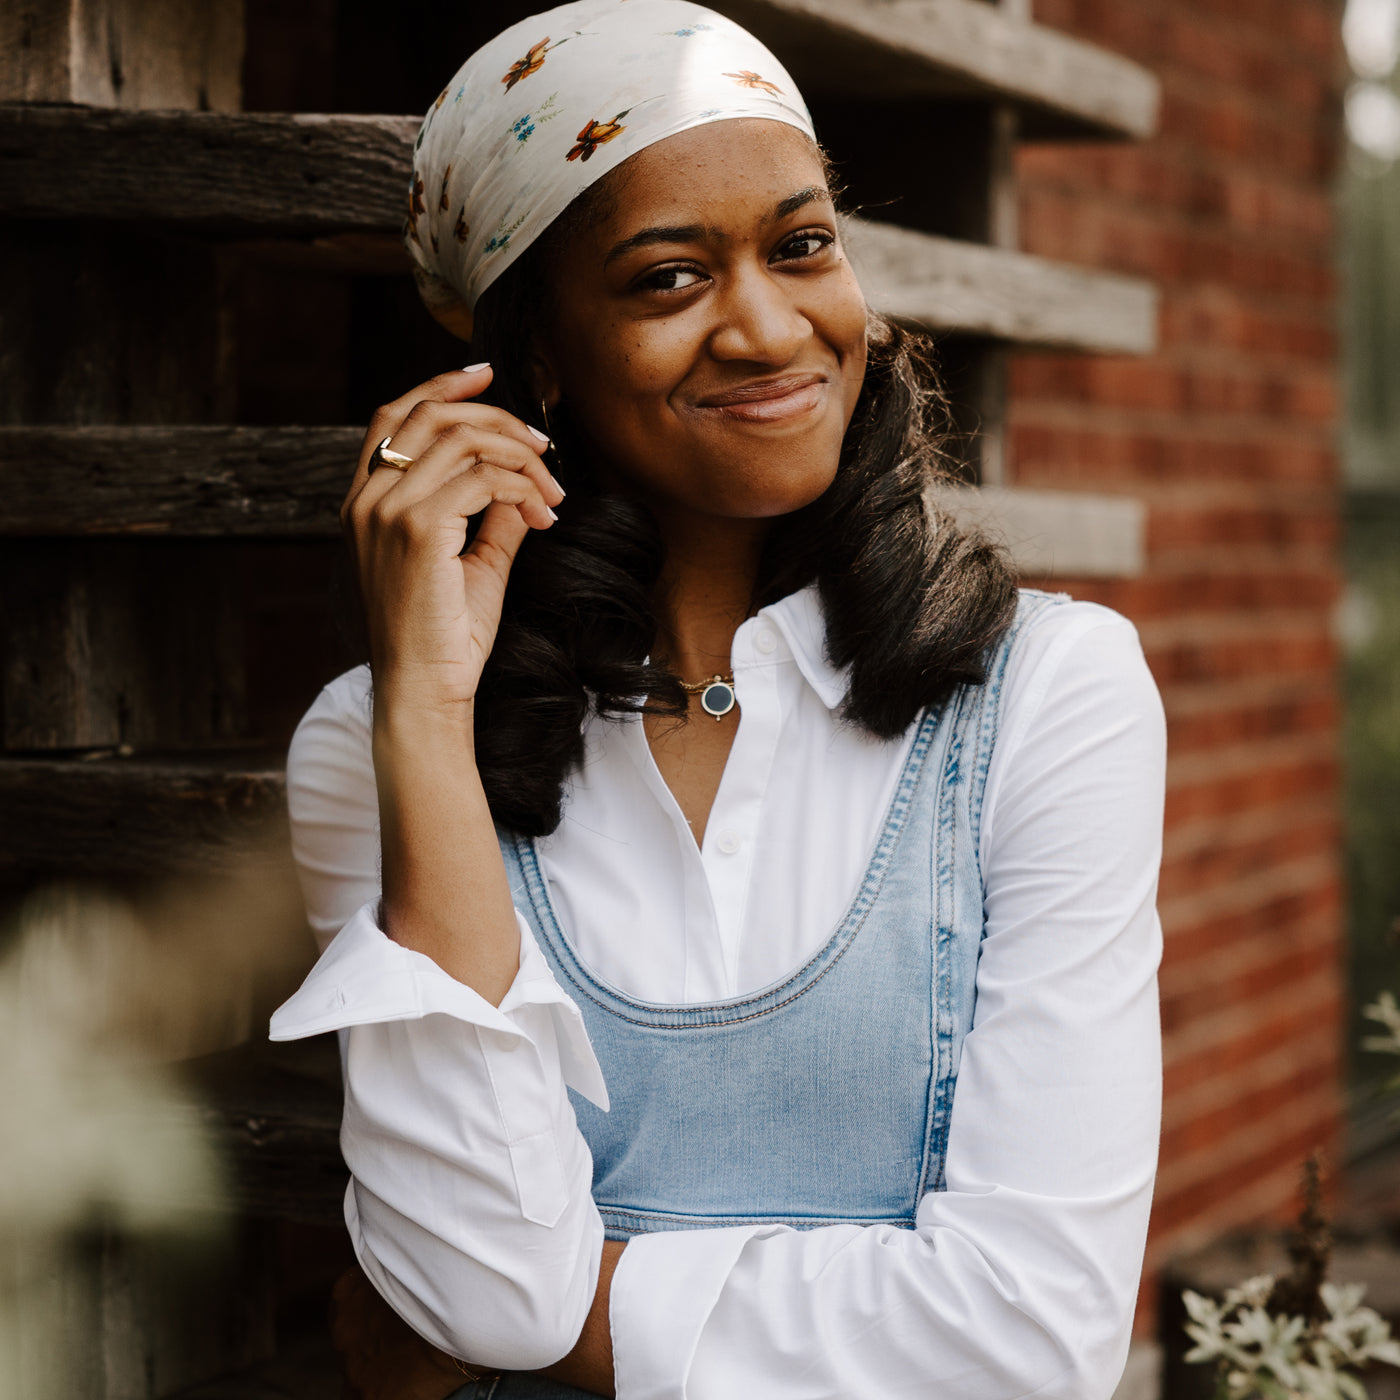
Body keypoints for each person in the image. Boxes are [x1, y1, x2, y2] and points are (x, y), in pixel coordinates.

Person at [269, 2, 1166, 1396]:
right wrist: (428, 714)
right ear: (541, 359)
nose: (768, 329)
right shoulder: (373, 746)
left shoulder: (1050, 695)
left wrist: (584, 1307)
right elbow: (492, 1290)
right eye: (669, 278)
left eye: (801, 247)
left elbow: (1031, 1341)